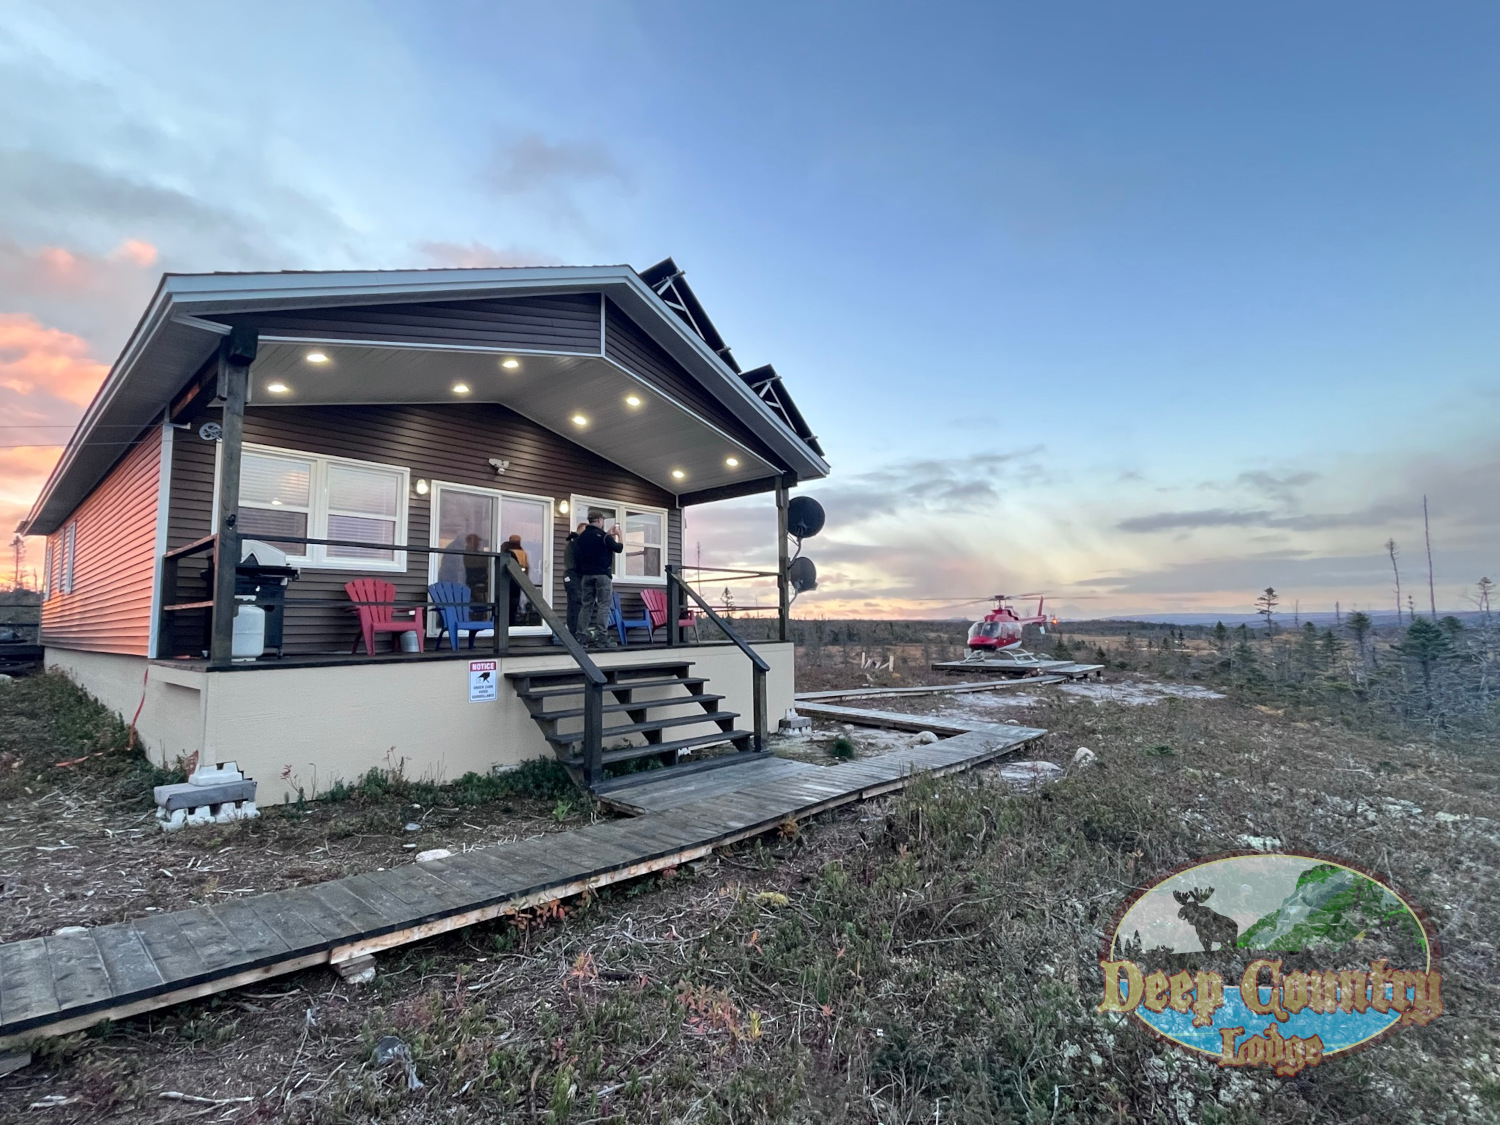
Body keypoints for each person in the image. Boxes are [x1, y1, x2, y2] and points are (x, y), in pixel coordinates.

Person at [573, 513, 623, 647]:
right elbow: (618, 548)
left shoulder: (581, 537)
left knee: (586, 606)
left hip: (586, 575)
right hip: (602, 575)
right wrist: (619, 535)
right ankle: (602, 638)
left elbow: (577, 556)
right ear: (600, 520)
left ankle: (581, 637)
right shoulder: (604, 536)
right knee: (603, 606)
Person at [499, 534, 529, 625]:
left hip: (509, 585)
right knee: (512, 606)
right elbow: (525, 567)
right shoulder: (516, 553)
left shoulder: (514, 553)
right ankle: (510, 624)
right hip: (514, 584)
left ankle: (507, 624)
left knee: (509, 606)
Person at [562, 522, 586, 637]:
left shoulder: (576, 543)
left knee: (577, 604)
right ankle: (573, 634)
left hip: (576, 577)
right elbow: (574, 564)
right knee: (575, 604)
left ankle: (576, 633)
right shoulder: (574, 544)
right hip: (572, 577)